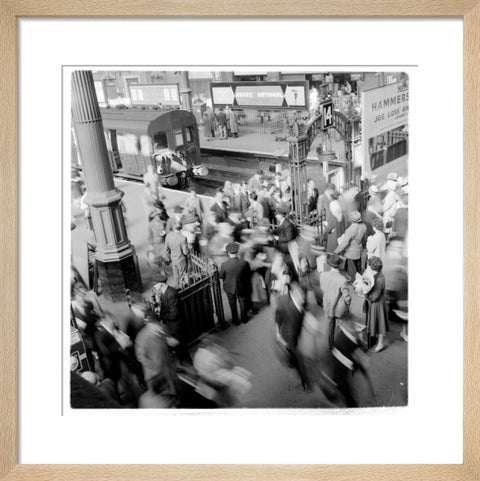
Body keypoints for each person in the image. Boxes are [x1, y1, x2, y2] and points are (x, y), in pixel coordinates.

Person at [274, 282, 311, 390]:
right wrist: (277, 333)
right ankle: (305, 381)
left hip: (296, 333)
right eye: (300, 296)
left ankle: (291, 359)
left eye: (303, 295)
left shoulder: (302, 302)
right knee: (299, 360)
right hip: (288, 337)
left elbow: (304, 313)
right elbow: (278, 317)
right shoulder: (283, 301)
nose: (303, 298)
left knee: (291, 353)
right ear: (293, 295)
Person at [134, 309, 178, 394]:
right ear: (148, 324)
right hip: (154, 374)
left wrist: (169, 340)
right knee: (161, 397)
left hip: (167, 368)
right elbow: (140, 356)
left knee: (172, 392)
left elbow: (166, 338)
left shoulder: (162, 328)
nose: (158, 327)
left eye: (157, 324)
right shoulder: (142, 337)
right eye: (154, 325)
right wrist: (154, 365)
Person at [319, 253, 352, 350]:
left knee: (330, 324)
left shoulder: (323, 275)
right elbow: (347, 298)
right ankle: (340, 344)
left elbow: (322, 287)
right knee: (340, 326)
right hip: (338, 308)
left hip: (327, 304)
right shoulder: (342, 280)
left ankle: (330, 344)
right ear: (339, 266)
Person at [219, 242, 252, 326]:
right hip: (242, 286)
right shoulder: (244, 263)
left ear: (228, 253)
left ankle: (235, 320)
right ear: (237, 252)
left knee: (232, 303)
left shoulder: (224, 265)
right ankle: (244, 319)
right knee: (243, 302)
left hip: (229, 287)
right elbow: (248, 274)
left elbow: (221, 276)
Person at [364, 256, 389, 352]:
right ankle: (377, 339)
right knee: (377, 321)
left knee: (380, 323)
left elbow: (374, 296)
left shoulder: (379, 279)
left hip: (377, 303)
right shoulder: (377, 275)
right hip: (376, 302)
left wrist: (365, 294)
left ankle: (381, 343)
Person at [335, 210, 367, 282]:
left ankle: (354, 287)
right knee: (359, 272)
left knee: (352, 273)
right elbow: (364, 240)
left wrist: (336, 251)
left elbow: (344, 243)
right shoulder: (364, 226)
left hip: (351, 254)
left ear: (351, 219)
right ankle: (361, 284)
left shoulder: (350, 230)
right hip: (360, 251)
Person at [165, 222, 190, 288]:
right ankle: (183, 289)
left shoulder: (168, 236)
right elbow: (185, 252)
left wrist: (169, 258)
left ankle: (178, 287)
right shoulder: (183, 238)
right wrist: (188, 249)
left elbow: (166, 250)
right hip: (181, 261)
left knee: (176, 276)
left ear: (174, 228)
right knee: (182, 276)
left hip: (174, 260)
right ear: (181, 229)